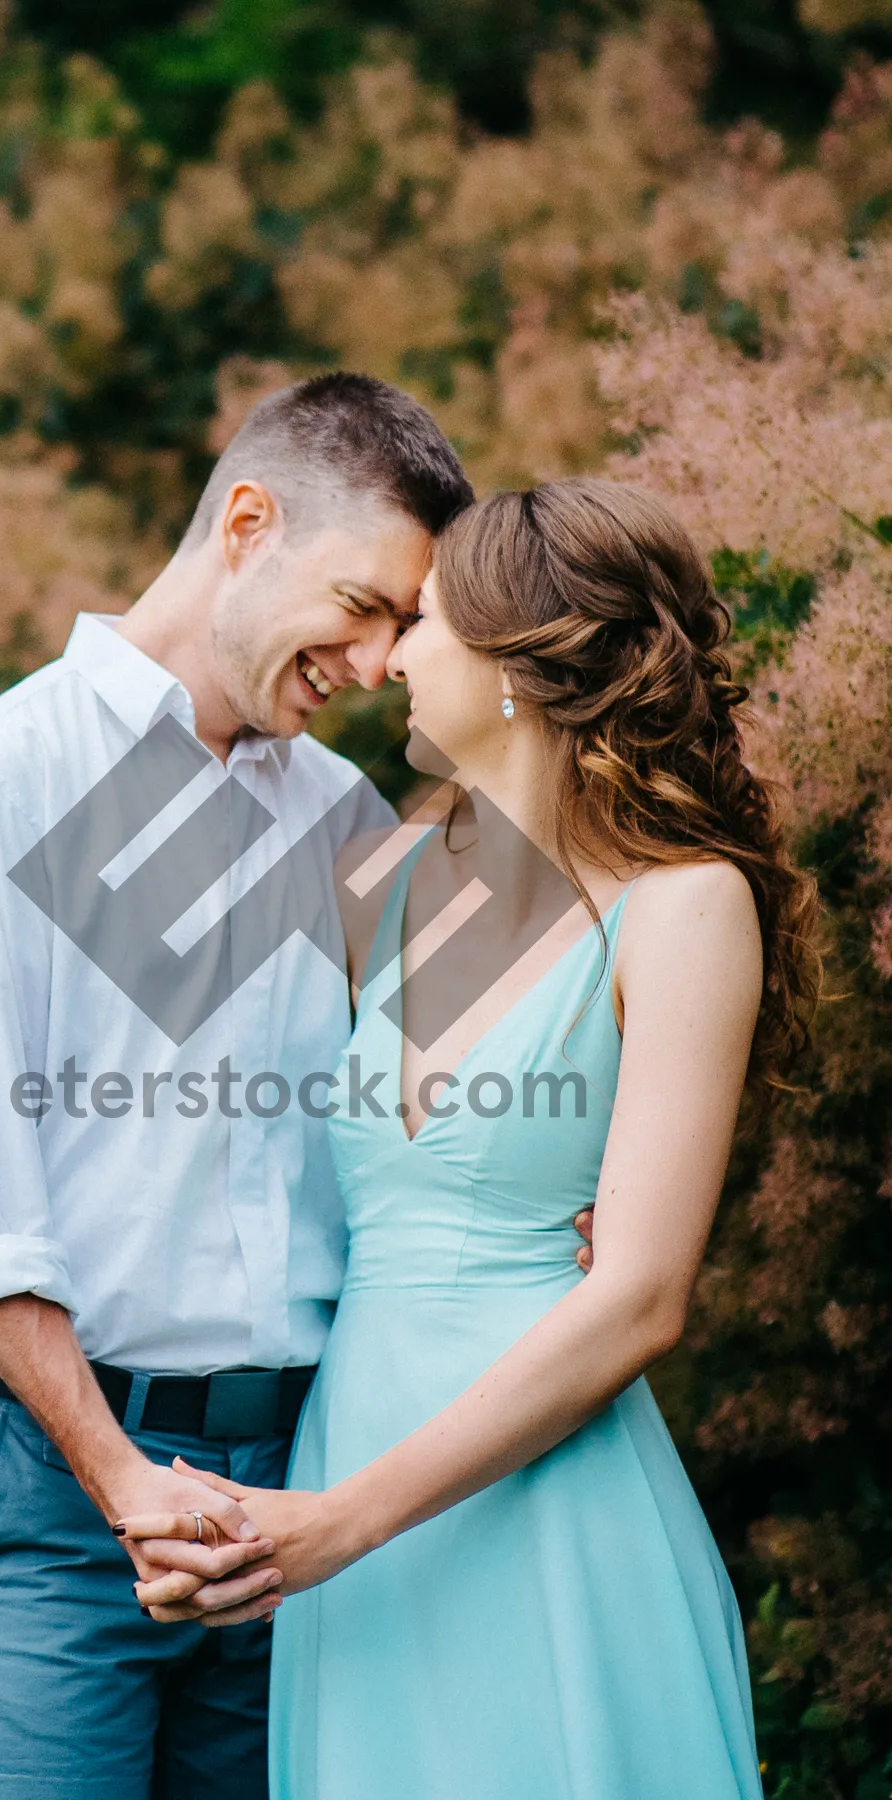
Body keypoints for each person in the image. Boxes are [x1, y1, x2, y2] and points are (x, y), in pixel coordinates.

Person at [0, 374, 600, 1800]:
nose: (384, 657)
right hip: (52, 1483)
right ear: (248, 524)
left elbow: (460, 1106)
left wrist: (576, 1209)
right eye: (366, 604)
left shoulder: (337, 818)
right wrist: (119, 1474)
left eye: (407, 626)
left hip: (302, 1478)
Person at [119, 478, 820, 1799]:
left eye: (425, 623)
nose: (386, 661)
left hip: (537, 1495)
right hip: (345, 1480)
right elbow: (172, 1093)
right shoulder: (375, 888)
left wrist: (341, 1523)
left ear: (518, 664)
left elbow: (643, 1299)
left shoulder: (683, 909)